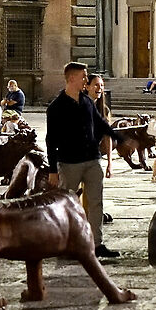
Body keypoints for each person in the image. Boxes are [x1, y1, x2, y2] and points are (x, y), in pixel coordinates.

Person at [46, 61, 120, 257]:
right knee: (68, 206)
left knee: (96, 203)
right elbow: (50, 139)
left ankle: (96, 244)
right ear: (72, 78)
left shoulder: (87, 102)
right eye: (84, 77)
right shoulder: (56, 107)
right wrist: (53, 169)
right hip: (69, 163)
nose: (86, 80)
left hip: (92, 161)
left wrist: (119, 139)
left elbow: (101, 124)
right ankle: (67, 244)